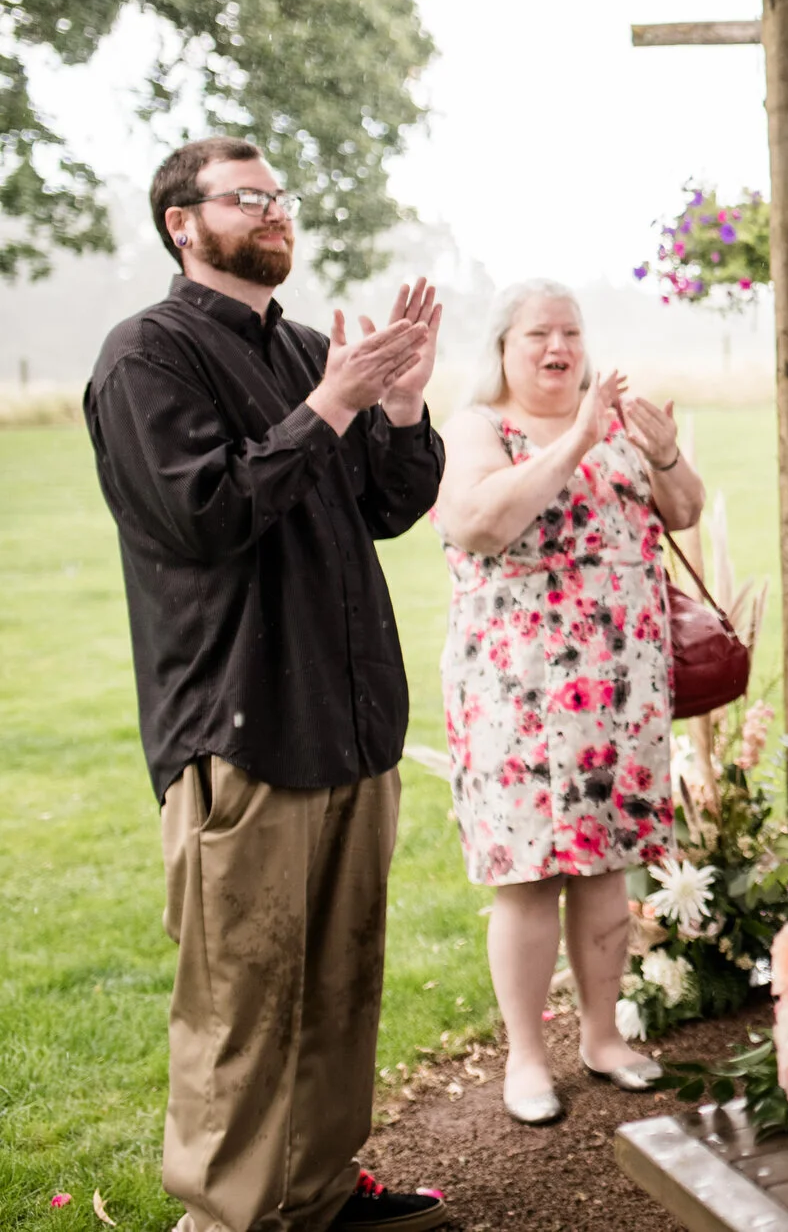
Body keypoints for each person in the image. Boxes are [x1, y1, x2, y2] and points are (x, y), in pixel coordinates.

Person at [85, 137, 450, 1232]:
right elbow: (206, 513)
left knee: (342, 983)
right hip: (241, 724)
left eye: (279, 194)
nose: (274, 210)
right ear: (182, 223)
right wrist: (334, 401)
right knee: (241, 1004)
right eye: (246, 197)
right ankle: (227, 1219)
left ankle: (318, 1193)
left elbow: (386, 507)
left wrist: (399, 407)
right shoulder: (145, 355)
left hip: (351, 717)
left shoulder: (304, 349)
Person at [432, 284, 705, 1125]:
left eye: (571, 331)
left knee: (607, 865)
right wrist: (579, 436)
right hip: (518, 691)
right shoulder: (479, 427)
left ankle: (602, 1036)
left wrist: (664, 455)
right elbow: (479, 522)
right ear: (503, 347)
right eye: (539, 334)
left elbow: (685, 510)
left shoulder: (616, 421)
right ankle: (525, 1057)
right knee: (528, 873)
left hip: (620, 687)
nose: (559, 346)